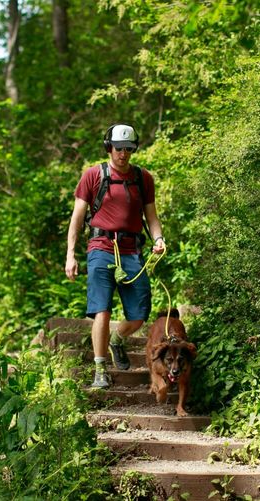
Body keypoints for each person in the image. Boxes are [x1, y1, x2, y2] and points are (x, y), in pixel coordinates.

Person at [65, 124, 165, 388]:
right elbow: (77, 218)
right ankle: (100, 369)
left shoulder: (143, 178)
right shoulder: (93, 175)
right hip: (101, 247)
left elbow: (151, 216)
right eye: (119, 148)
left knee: (139, 314)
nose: (123, 154)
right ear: (108, 147)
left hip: (132, 250)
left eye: (128, 149)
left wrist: (158, 239)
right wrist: (70, 255)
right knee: (102, 310)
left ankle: (117, 339)